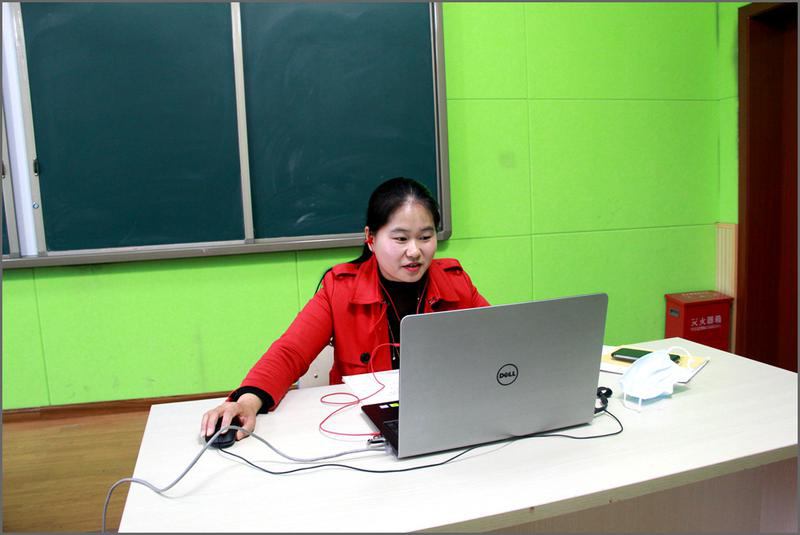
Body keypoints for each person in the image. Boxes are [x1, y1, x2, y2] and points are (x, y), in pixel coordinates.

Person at [201, 177, 490, 441]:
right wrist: (247, 401)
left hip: (441, 419)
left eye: (425, 237)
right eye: (401, 239)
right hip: (359, 429)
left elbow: (496, 340)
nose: (414, 251)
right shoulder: (340, 289)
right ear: (371, 239)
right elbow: (290, 352)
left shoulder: (455, 282)